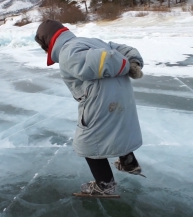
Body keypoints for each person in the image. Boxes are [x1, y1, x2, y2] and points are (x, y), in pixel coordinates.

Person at [34, 19, 144, 195]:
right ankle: (129, 163)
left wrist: (123, 64)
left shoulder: (67, 52)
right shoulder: (90, 41)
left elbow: (101, 61)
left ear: (47, 42)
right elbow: (122, 49)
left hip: (101, 101)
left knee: (89, 143)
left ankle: (105, 185)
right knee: (118, 128)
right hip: (122, 94)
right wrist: (132, 62)